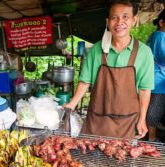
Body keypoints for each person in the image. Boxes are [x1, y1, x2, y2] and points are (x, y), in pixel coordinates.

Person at [64, 0, 154, 139]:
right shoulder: (96, 50)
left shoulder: (144, 52)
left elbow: (144, 90)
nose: (119, 22)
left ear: (134, 20)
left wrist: (142, 119)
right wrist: (72, 104)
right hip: (96, 122)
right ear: (108, 21)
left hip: (127, 123)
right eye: (114, 17)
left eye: (125, 17)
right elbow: (85, 81)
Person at [146, 9, 165, 142]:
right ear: (161, 22)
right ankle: (152, 139)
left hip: (153, 76)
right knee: (154, 110)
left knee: (152, 107)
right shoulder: (160, 36)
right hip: (158, 78)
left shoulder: (155, 35)